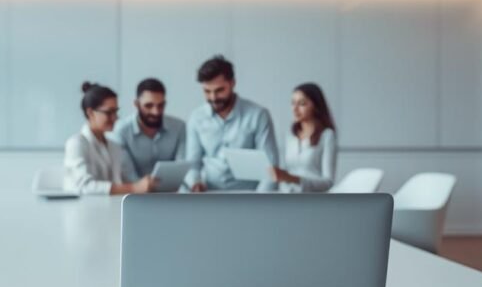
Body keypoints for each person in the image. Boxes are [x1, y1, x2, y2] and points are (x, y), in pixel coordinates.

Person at [185, 55, 279, 192]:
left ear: (232, 83)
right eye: (207, 91)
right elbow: (193, 164)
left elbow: (270, 167)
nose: (213, 98)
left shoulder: (259, 115)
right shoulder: (196, 117)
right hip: (208, 197)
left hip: (249, 198)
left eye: (219, 90)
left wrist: (259, 203)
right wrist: (195, 182)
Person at [64, 82, 157, 195]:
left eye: (116, 111)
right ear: (90, 113)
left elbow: (124, 181)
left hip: (110, 206)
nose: (115, 117)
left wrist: (146, 183)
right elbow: (84, 187)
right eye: (109, 112)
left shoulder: (114, 146)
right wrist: (133, 188)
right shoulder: (77, 143)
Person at [109, 78, 187, 183]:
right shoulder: (121, 130)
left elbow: (181, 167)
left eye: (160, 105)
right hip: (135, 194)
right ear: (136, 104)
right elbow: (127, 173)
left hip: (171, 193)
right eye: (149, 106)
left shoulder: (179, 127)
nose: (156, 112)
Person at [269, 83, 338, 192]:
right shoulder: (290, 135)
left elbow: (328, 183)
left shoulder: (327, 136)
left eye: (302, 103)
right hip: (289, 198)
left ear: (316, 106)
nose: (295, 109)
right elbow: (285, 174)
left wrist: (293, 179)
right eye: (293, 103)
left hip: (313, 200)